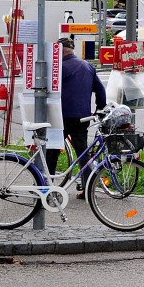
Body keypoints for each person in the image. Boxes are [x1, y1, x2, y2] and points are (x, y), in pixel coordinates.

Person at [46, 37, 107, 196]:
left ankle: (49, 187)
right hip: (82, 118)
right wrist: (100, 108)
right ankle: (88, 190)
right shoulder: (88, 67)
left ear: (60, 51)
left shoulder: (58, 68)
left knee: (52, 152)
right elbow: (100, 91)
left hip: (61, 117)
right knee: (82, 153)